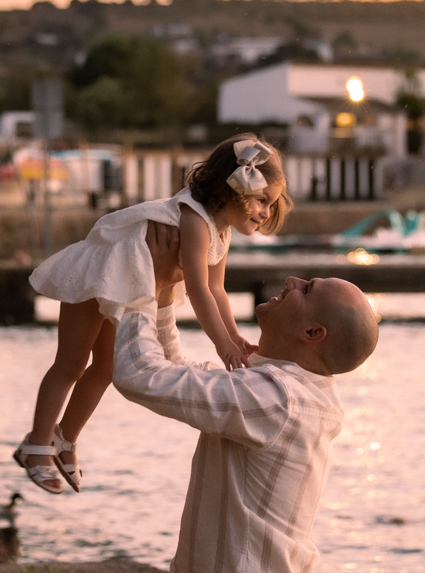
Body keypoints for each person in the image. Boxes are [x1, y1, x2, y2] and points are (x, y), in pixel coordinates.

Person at [111, 221, 379, 573]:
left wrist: (138, 282)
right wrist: (165, 290)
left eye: (308, 289)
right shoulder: (277, 390)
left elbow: (139, 375)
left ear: (312, 333)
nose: (294, 279)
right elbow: (172, 369)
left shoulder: (277, 401)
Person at [15, 134, 293, 495]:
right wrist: (221, 344)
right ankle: (36, 445)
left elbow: (216, 289)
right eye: (261, 200)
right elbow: (196, 289)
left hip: (129, 286)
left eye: (269, 204)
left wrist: (234, 336)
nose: (265, 212)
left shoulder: (220, 231)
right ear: (234, 189)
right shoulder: (193, 218)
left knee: (107, 369)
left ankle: (65, 437)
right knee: (71, 363)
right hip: (102, 272)